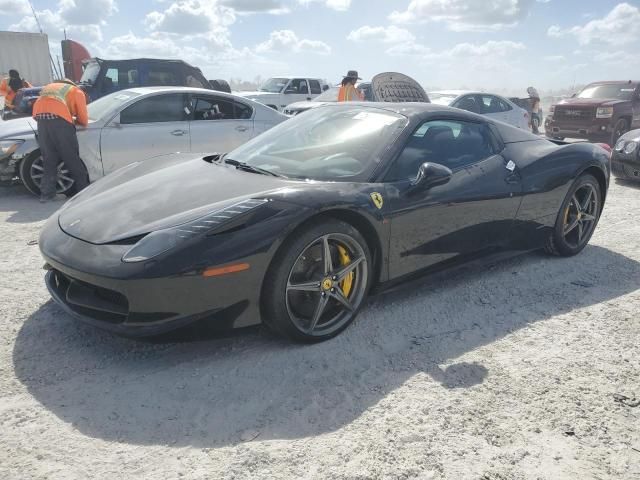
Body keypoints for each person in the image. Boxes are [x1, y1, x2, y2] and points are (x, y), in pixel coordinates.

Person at [32, 79, 89, 202]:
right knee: (71, 157)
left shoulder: (51, 86)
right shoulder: (76, 91)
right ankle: (84, 192)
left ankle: (47, 195)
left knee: (49, 158)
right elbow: (83, 117)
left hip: (41, 121)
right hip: (59, 122)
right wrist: (80, 122)